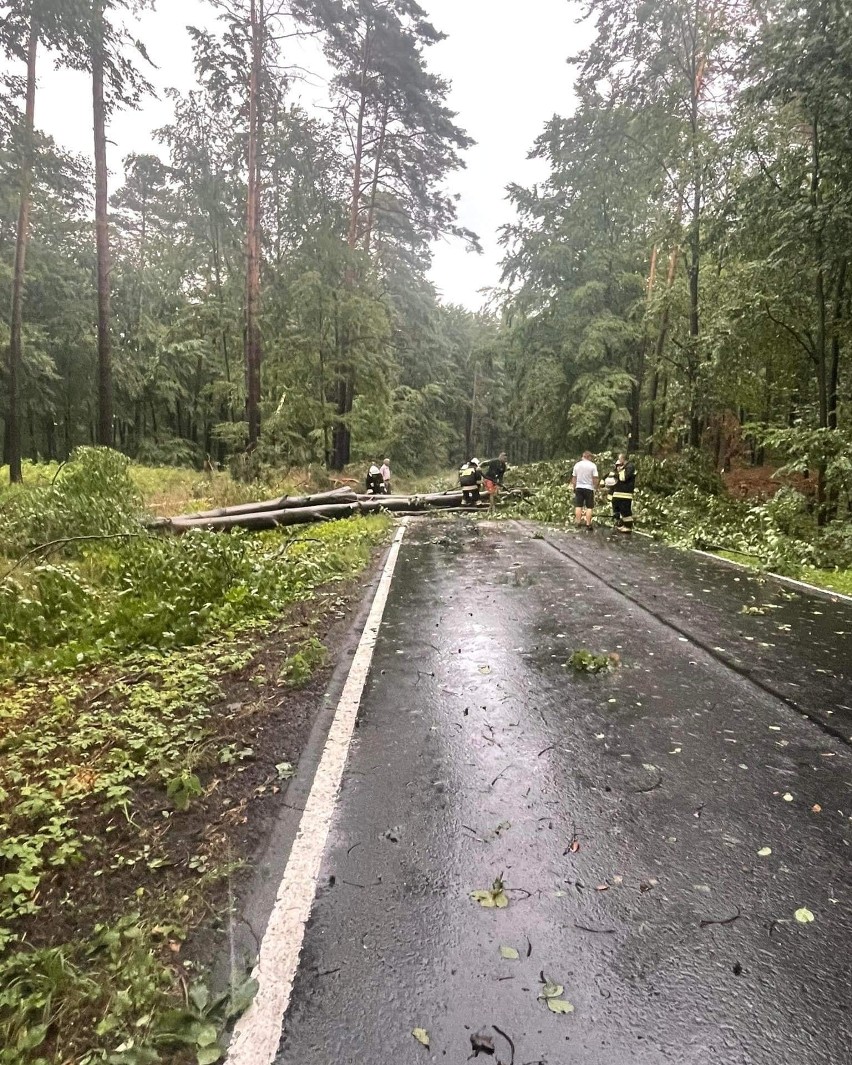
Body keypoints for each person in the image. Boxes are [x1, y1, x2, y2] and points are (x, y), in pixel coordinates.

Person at [606, 452, 636, 533]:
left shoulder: (630, 467)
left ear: (623, 459)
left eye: (620, 459)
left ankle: (628, 527)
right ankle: (621, 524)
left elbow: (623, 478)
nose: (618, 461)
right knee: (617, 508)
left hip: (625, 493)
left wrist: (617, 473)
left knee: (625, 510)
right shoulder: (623, 467)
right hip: (618, 492)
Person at [571, 450, 599, 530]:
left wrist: (574, 486)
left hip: (579, 487)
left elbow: (574, 477)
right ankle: (588, 524)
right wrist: (596, 487)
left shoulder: (577, 465)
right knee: (589, 507)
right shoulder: (593, 466)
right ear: (589, 457)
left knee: (578, 506)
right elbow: (595, 478)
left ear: (583, 456)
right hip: (589, 488)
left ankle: (578, 523)